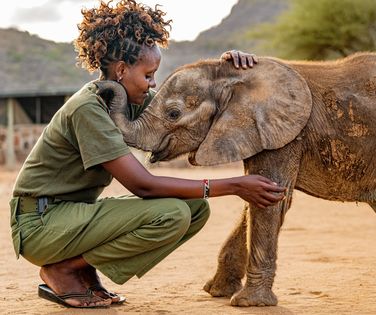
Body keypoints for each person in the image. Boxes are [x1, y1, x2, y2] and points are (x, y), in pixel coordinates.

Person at [9, 0, 285, 309]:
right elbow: (143, 185)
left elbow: (188, 110)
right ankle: (65, 269)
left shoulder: (128, 101)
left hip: (72, 216)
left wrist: (225, 72)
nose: (153, 84)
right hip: (41, 223)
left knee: (195, 209)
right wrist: (234, 185)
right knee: (172, 214)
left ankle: (80, 267)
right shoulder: (88, 108)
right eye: (149, 75)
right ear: (122, 70)